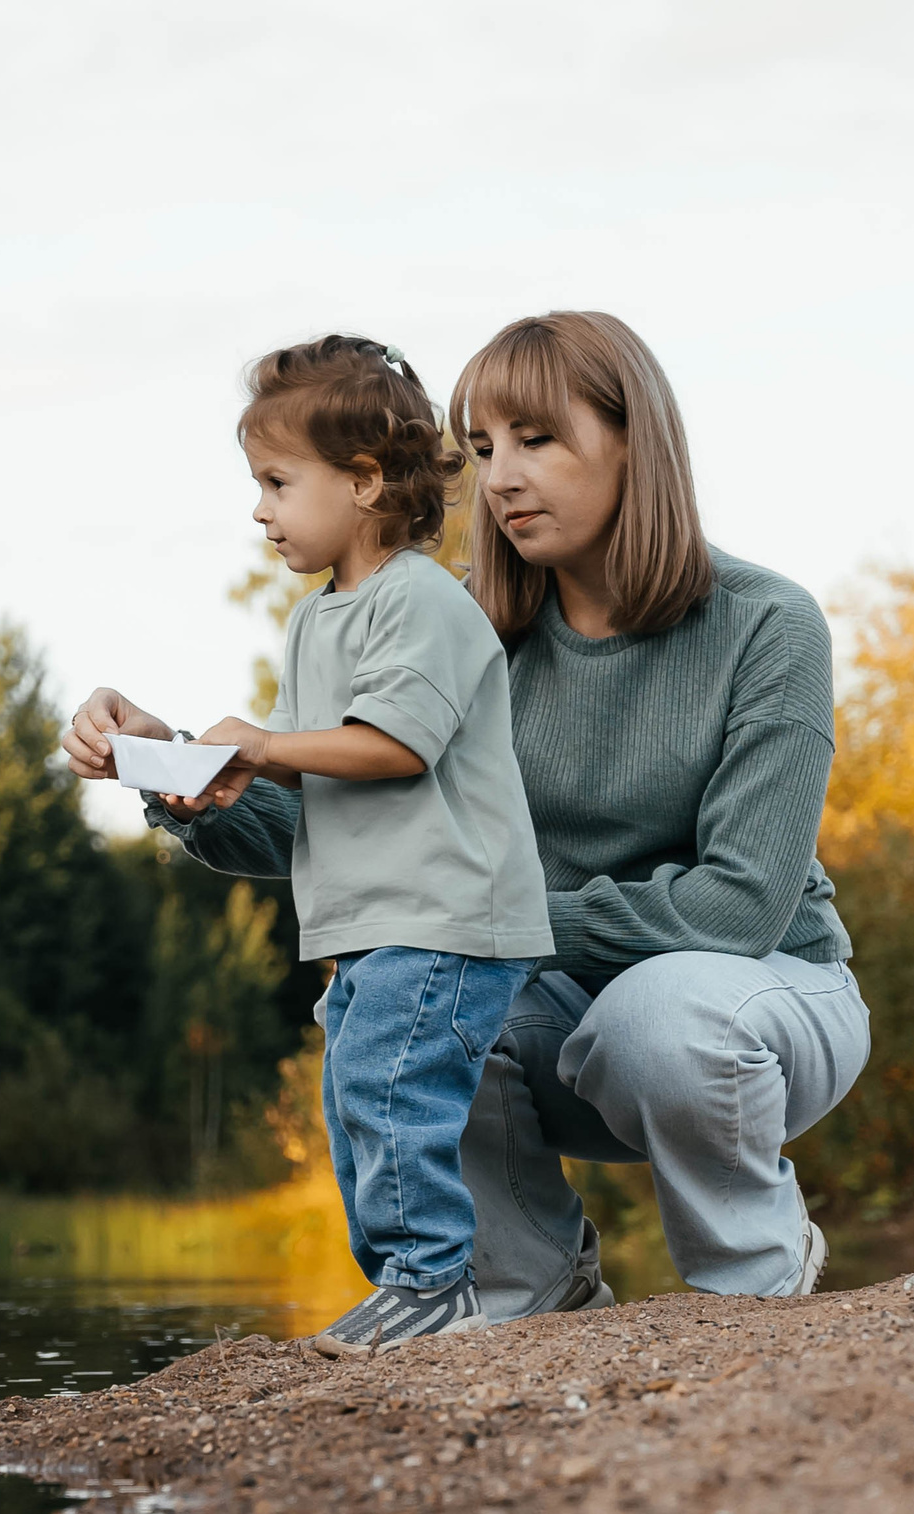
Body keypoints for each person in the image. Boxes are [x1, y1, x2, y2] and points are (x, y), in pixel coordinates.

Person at [65, 311, 867, 1319]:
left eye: (536, 440)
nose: (500, 480)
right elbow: (343, 832)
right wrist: (170, 766)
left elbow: (739, 904)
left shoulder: (766, 622)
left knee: (647, 1015)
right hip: (559, 1005)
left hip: (760, 998)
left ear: (634, 443)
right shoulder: (457, 627)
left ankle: (753, 1269)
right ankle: (529, 1281)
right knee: (396, 1002)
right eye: (482, 450)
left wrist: (480, 934)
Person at [88, 334, 552, 1356]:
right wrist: (162, 764)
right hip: (367, 923)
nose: (259, 509)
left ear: (364, 481)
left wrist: (258, 742)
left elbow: (390, 746)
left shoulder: (422, 601)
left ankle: (433, 1284)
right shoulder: (315, 621)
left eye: (276, 482)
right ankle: (410, 1285)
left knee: (392, 1090)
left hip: (442, 913)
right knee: (358, 1104)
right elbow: (299, 773)